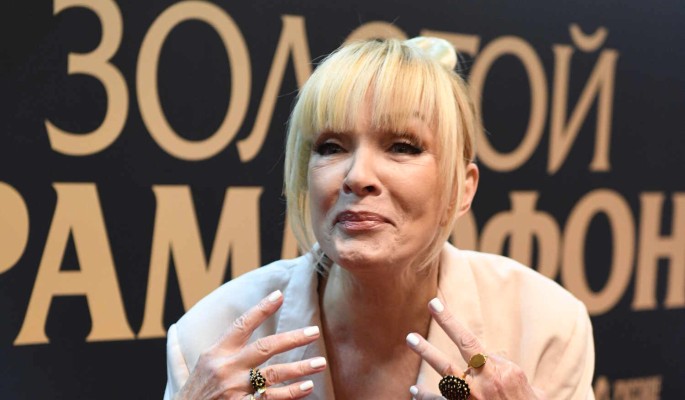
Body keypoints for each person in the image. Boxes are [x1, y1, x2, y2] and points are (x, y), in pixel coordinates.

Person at [163, 37, 595, 400]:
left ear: (462, 190)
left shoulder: (547, 326)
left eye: (403, 147)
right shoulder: (209, 335)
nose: (358, 176)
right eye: (331, 147)